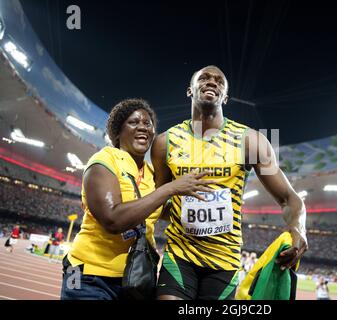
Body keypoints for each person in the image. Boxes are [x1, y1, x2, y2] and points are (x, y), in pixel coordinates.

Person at [152, 65, 308, 300]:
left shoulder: (251, 141)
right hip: (179, 255)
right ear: (189, 91)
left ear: (225, 97)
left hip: (224, 261)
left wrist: (298, 227)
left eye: (219, 81)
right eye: (204, 78)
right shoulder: (165, 142)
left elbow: (289, 198)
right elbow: (159, 201)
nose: (212, 82)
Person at [60, 99, 214, 300]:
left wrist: (207, 200)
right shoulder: (104, 161)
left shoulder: (151, 174)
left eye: (148, 123)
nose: (143, 127)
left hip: (136, 280)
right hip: (86, 275)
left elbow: (160, 209)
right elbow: (112, 220)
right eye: (134, 122)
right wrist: (170, 188)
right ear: (117, 131)